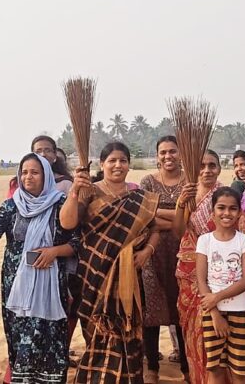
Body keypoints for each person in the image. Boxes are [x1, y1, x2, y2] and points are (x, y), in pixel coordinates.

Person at [60, 142, 161, 383]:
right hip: (93, 276)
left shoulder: (139, 197)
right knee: (96, 333)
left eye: (123, 160)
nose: (118, 165)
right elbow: (67, 223)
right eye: (112, 160)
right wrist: (75, 190)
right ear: (102, 164)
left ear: (128, 164)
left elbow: (154, 228)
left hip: (129, 277)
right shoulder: (89, 191)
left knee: (129, 332)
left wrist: (148, 250)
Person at [0, 153, 79, 383]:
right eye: (23, 172)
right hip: (16, 285)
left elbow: (76, 241)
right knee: (20, 338)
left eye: (34, 172)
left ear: (46, 175)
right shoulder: (12, 206)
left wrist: (54, 251)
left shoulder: (60, 204)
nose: (28, 177)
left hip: (51, 285)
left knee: (50, 336)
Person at [173, 150, 245, 384]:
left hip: (230, 289)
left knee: (234, 357)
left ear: (219, 168)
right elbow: (179, 232)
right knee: (201, 342)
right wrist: (180, 205)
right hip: (193, 275)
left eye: (212, 165)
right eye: (202, 166)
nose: (207, 170)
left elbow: (242, 238)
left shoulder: (224, 199)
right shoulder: (188, 196)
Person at [139, 136, 188, 382]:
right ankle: (152, 368)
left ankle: (188, 367)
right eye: (163, 152)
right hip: (153, 248)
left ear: (180, 154)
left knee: (182, 307)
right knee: (152, 309)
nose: (168, 156)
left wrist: (165, 215)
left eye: (172, 152)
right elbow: (146, 215)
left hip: (184, 250)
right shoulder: (147, 181)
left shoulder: (190, 182)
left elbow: (192, 218)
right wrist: (178, 216)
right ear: (157, 155)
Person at [195, 187, 245, 383]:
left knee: (239, 370)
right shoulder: (204, 241)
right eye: (221, 208)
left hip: (240, 312)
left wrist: (217, 297)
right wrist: (215, 313)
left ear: (239, 212)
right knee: (215, 368)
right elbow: (201, 280)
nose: (226, 213)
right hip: (212, 314)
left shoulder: (244, 240)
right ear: (212, 212)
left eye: (232, 208)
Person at [7, 135, 73, 198]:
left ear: (55, 154)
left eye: (48, 150)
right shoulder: (18, 183)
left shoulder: (65, 183)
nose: (43, 154)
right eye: (38, 151)